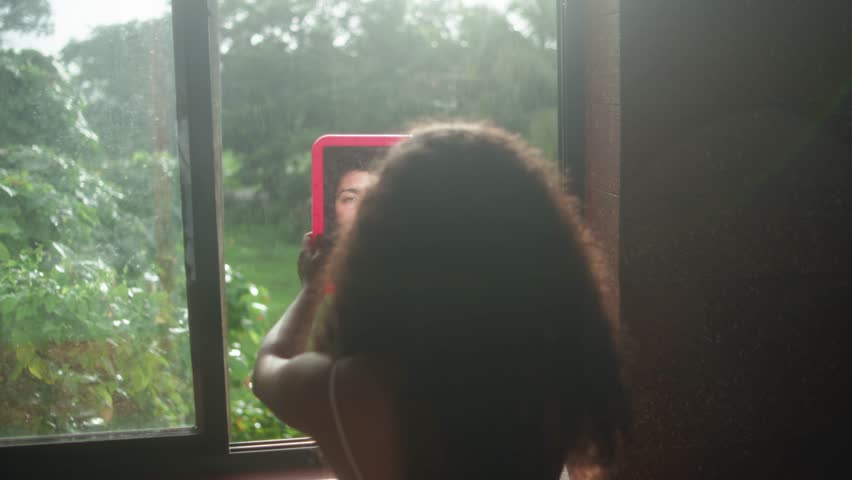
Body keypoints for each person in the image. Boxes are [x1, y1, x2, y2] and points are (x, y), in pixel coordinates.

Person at [252, 123, 629, 480]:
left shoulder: (347, 390)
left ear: (380, 242)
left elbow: (268, 367)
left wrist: (312, 287)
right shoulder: (553, 367)